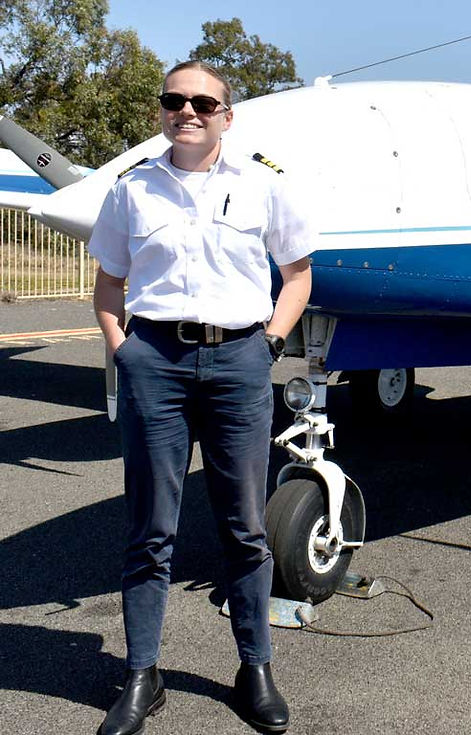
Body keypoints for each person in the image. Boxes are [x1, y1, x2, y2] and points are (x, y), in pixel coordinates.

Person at [89, 60, 315, 735]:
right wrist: (125, 350)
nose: (187, 111)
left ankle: (255, 669)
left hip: (240, 359)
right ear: (162, 109)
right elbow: (108, 287)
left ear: (226, 115)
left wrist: (271, 342)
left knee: (245, 527)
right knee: (150, 529)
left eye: (203, 103)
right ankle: (142, 675)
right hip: (153, 360)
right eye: (174, 100)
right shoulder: (132, 192)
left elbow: (298, 275)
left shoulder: (262, 187)